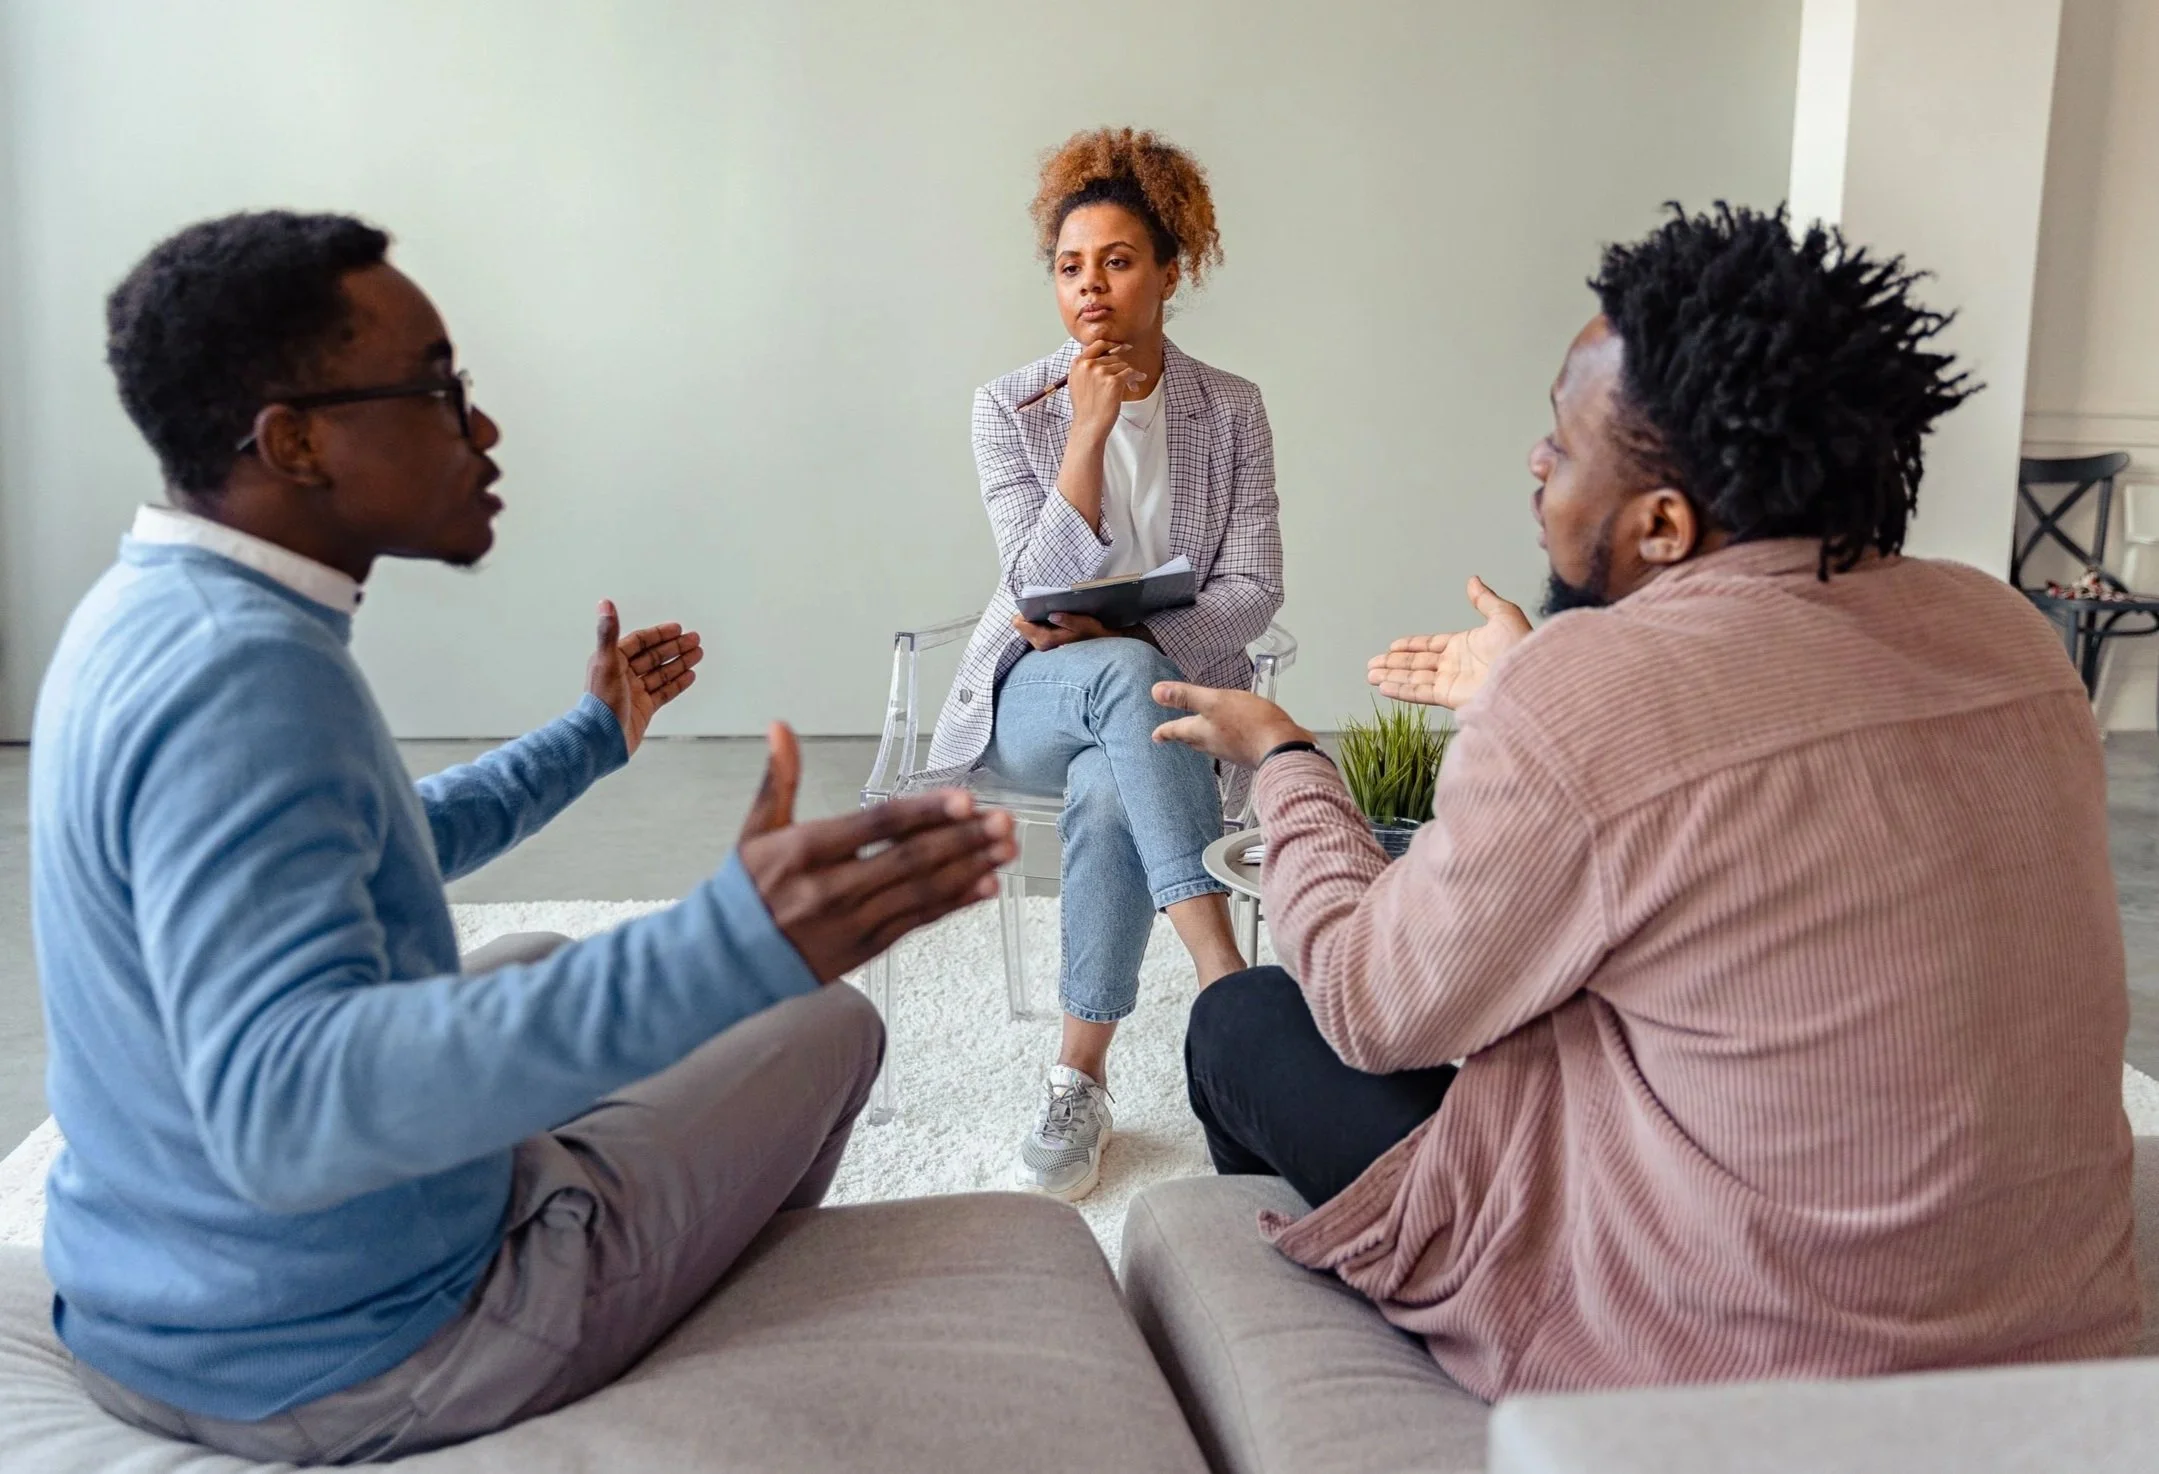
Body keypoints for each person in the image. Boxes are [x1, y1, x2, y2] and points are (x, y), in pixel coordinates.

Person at [32, 210, 1016, 1464]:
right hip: (349, 1352)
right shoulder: (249, 674)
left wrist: (590, 736)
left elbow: (369, 844)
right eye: (437, 388)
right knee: (827, 1021)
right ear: (293, 441)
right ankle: (654, 1324)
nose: (481, 428)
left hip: (152, 1300)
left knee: (543, 952)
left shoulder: (151, 612)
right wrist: (734, 946)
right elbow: (282, 1104)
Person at [1153, 204, 2141, 1398]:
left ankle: (1342, 1394)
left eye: (1561, 448)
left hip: (1741, 1356)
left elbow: (1372, 1004)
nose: (1534, 464)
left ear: (1662, 524)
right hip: (2045, 1331)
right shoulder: (2006, 635)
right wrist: (1530, 691)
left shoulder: (1593, 693)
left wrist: (1286, 756)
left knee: (1246, 1019)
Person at [927, 128, 1284, 1202]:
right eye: (1070, 267)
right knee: (1115, 689)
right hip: (1028, 697)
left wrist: (1133, 643)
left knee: (1109, 773)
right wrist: (1084, 435)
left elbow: (1256, 586)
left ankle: (1076, 1078)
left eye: (1118, 261)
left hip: (1152, 705)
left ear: (1169, 272)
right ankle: (1226, 986)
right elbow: (1033, 595)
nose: (1090, 287)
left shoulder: (1230, 409)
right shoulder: (1010, 407)